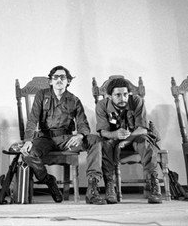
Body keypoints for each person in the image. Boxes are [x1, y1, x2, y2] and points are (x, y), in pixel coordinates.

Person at [20, 65, 107, 205]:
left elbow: (83, 124)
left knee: (95, 140)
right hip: (45, 138)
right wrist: (28, 140)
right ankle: (48, 180)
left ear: (68, 81)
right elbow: (32, 119)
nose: (59, 80)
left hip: (66, 140)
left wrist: (80, 135)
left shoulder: (74, 100)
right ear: (50, 81)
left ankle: (93, 188)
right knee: (28, 153)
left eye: (63, 77)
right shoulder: (41, 95)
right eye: (55, 77)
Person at [96, 77, 162, 204]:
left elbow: (142, 129)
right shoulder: (102, 105)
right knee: (105, 144)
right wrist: (115, 134)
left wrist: (126, 141)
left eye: (125, 94)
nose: (123, 98)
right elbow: (103, 132)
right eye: (118, 95)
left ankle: (154, 184)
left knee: (144, 142)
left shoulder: (137, 101)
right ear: (109, 96)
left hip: (136, 136)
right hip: (115, 138)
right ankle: (110, 186)